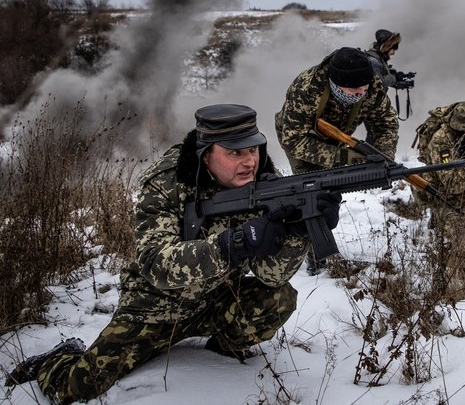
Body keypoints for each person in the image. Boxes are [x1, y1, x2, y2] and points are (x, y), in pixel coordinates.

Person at [4, 104, 341, 404]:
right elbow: (155, 264)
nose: (249, 160)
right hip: (155, 308)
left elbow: (272, 276)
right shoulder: (166, 183)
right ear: (206, 153)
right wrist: (235, 243)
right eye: (235, 152)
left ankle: (219, 353)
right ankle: (58, 359)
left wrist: (297, 232)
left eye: (253, 148)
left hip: (217, 296)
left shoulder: (267, 181)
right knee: (77, 387)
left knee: (278, 298)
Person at [275, 46, 399, 174]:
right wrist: (347, 157)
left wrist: (383, 159)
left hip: (338, 137)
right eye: (354, 89)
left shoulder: (373, 85)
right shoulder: (306, 90)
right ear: (337, 84)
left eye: (365, 88)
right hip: (301, 140)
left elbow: (386, 124)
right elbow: (293, 141)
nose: (362, 93)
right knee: (314, 187)